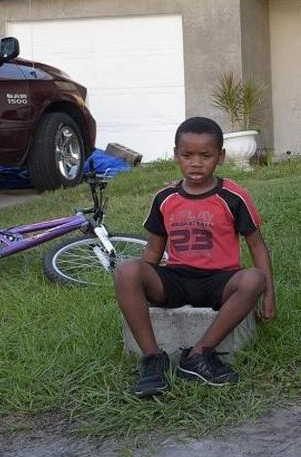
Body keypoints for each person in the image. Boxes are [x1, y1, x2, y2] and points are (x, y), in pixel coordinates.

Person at [114, 117, 275, 398]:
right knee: (127, 270)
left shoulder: (233, 196)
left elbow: (257, 247)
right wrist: (143, 287)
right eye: (187, 155)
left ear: (220, 157)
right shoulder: (165, 198)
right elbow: (153, 249)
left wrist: (269, 295)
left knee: (253, 279)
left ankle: (198, 356)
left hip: (220, 282)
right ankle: (153, 360)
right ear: (176, 155)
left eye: (206, 155)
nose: (196, 163)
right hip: (177, 278)